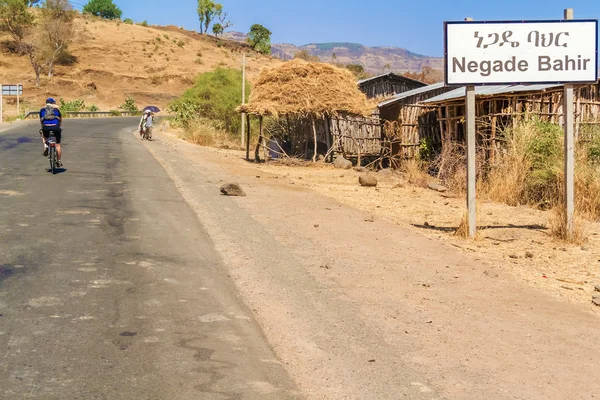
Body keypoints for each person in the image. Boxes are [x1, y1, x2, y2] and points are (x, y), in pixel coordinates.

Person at [39, 98, 63, 167]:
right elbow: (60, 120)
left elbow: (41, 121)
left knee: (43, 134)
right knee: (57, 145)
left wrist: (43, 128)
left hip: (45, 127)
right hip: (56, 127)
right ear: (53, 103)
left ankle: (46, 145)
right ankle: (59, 161)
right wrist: (58, 126)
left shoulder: (42, 110)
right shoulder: (57, 110)